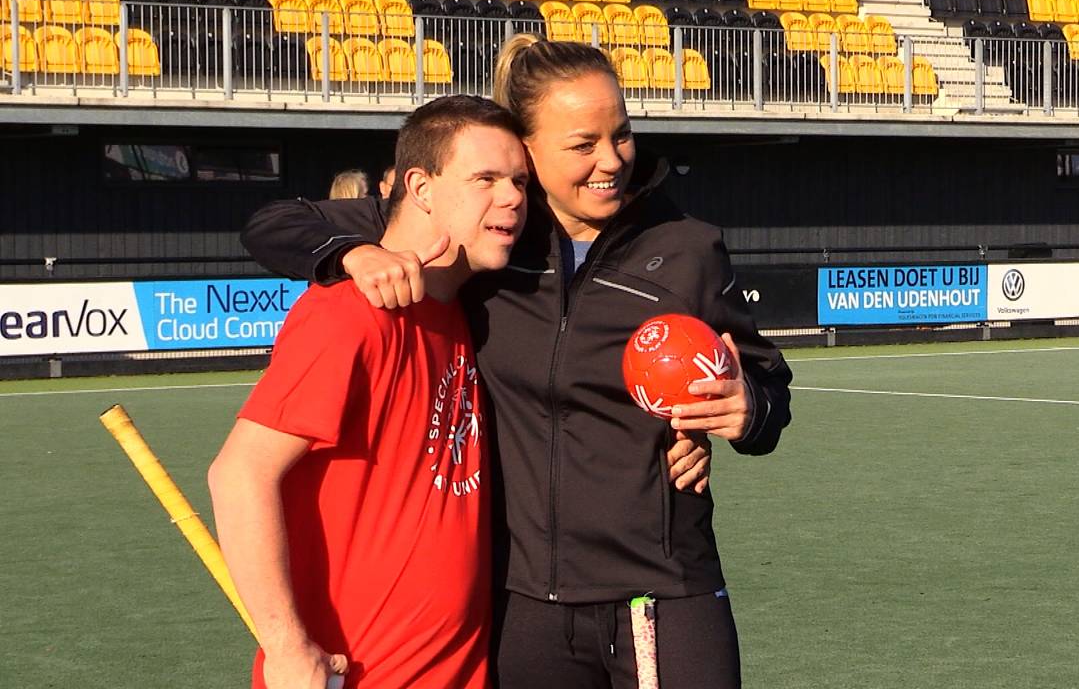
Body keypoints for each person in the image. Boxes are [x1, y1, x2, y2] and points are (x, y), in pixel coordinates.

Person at [241, 35, 793, 689]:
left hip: (661, 588)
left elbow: (765, 387)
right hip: (522, 604)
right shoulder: (489, 237)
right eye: (582, 144)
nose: (612, 160)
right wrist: (350, 253)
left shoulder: (687, 248)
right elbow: (276, 222)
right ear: (527, 150)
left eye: (622, 134)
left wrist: (745, 410)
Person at [209, 95, 529, 689]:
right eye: (485, 179)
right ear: (421, 187)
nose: (512, 197)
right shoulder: (351, 312)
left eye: (519, 182)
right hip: (357, 673)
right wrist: (285, 646)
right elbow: (238, 473)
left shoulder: (459, 313)